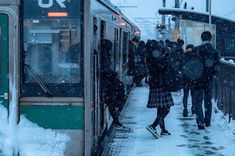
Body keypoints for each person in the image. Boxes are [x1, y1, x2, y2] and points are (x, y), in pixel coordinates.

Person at [191, 31, 220, 129]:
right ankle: (207, 121)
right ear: (210, 39)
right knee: (208, 101)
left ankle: (200, 122)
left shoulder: (196, 49)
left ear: (201, 38)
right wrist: (213, 74)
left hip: (198, 79)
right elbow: (217, 66)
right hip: (208, 79)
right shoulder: (214, 51)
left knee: (198, 101)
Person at [146, 40, 174, 138]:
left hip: (155, 84)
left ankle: (163, 130)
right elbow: (162, 67)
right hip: (161, 85)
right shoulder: (156, 57)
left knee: (160, 108)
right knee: (166, 108)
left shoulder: (150, 56)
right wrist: (167, 56)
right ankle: (153, 126)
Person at [100, 39, 125, 127]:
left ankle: (115, 119)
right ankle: (115, 118)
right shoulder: (104, 55)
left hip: (105, 81)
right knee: (111, 100)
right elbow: (105, 69)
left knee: (110, 100)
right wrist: (114, 74)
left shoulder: (103, 53)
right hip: (105, 82)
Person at [182, 44, 195, 117]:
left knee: (185, 95)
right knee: (193, 95)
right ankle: (193, 108)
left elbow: (181, 66)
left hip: (185, 78)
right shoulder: (195, 55)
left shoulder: (184, 56)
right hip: (193, 79)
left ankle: (185, 109)